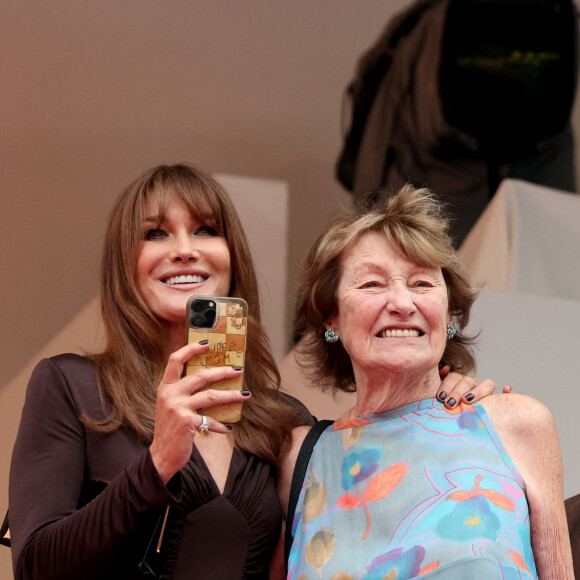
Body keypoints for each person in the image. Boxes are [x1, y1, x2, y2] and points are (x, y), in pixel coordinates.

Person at [8, 164, 504, 580]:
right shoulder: (72, 387)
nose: (185, 249)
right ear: (125, 264)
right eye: (156, 233)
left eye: (206, 230)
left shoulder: (282, 422)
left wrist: (447, 401)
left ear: (232, 256)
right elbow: (34, 566)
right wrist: (156, 463)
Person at [277, 185, 573, 579]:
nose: (402, 303)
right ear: (332, 319)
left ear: (449, 314)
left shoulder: (516, 425)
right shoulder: (300, 459)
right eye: (372, 284)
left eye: (421, 284)